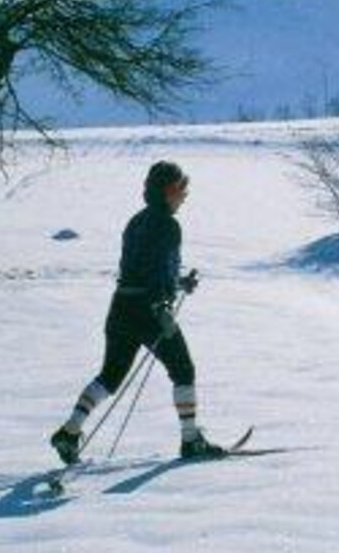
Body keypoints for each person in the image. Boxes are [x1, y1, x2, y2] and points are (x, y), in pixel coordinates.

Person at [50, 161, 226, 463]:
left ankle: (69, 431)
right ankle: (190, 440)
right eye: (182, 189)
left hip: (121, 306)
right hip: (149, 310)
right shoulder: (169, 225)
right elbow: (157, 269)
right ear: (169, 190)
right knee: (183, 370)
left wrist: (177, 283)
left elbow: (140, 267)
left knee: (110, 376)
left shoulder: (136, 221)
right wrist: (162, 305)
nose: (185, 196)